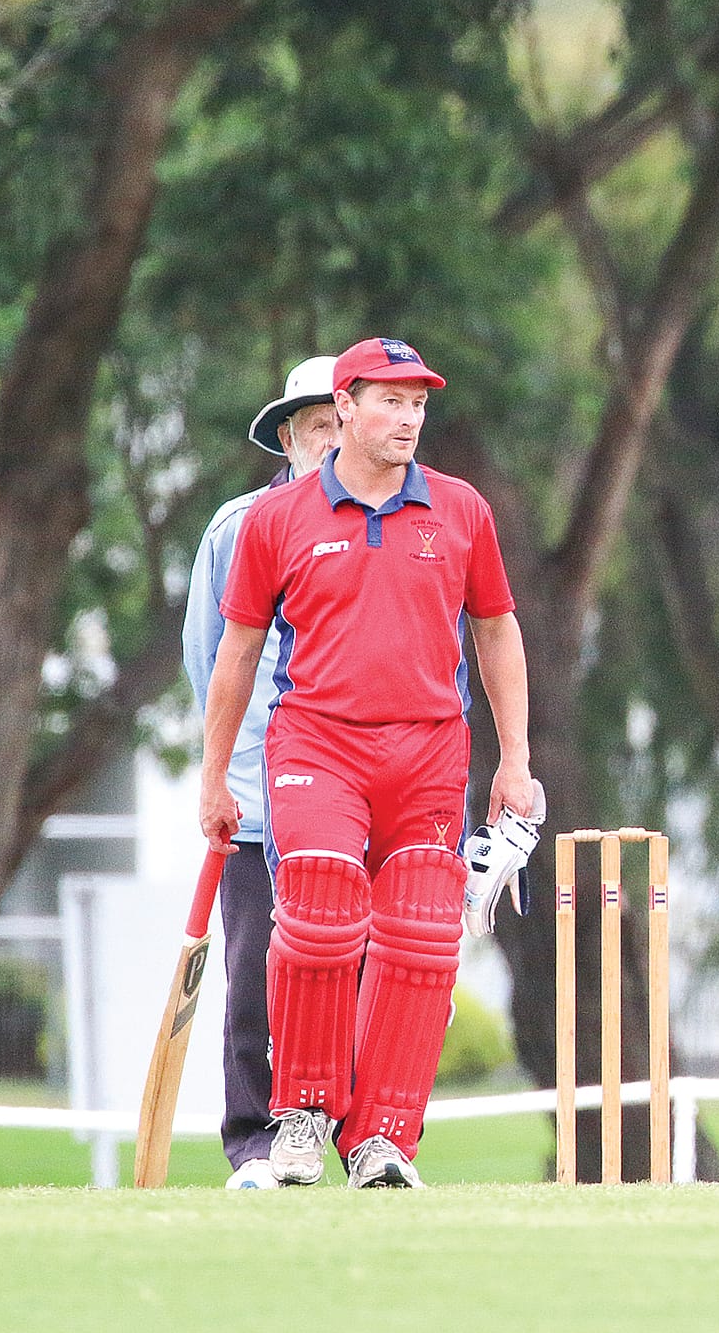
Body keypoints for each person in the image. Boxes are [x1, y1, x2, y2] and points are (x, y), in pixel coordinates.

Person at [198, 336, 537, 1189]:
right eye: (391, 401)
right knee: (316, 913)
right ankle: (302, 1116)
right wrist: (213, 778)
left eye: (418, 404)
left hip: (429, 748)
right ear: (344, 406)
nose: (409, 418)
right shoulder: (274, 518)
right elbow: (234, 654)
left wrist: (516, 759)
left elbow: (496, 628)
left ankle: (383, 1138)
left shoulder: (461, 509)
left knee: (420, 939)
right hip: (317, 741)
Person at [182, 356, 342, 1190]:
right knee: (253, 981)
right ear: (288, 437)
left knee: (351, 973)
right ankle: (252, 1143)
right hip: (256, 796)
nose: (335, 441)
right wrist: (222, 774)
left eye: (345, 422)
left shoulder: (390, 525)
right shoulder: (240, 526)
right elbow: (210, 660)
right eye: (319, 426)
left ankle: (357, 1141)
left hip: (347, 794)